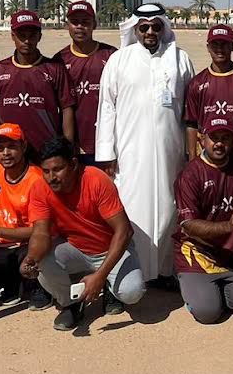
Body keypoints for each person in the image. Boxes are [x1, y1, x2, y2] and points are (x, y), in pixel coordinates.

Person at [94, 4, 194, 284]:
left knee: (169, 209)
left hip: (171, 153)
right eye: (144, 27)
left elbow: (191, 110)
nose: (150, 32)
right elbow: (106, 108)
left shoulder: (181, 59)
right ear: (135, 29)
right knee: (131, 207)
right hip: (130, 153)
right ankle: (133, 270)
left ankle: (164, 271)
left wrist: (191, 152)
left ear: (164, 28)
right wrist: (106, 153)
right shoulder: (119, 61)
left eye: (156, 26)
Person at [22, 137, 146, 331]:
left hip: (111, 248)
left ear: (73, 164)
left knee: (132, 292)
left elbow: (124, 231)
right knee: (42, 262)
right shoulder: (40, 188)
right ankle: (71, 304)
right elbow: (40, 233)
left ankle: (108, 287)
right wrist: (31, 258)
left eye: (57, 169)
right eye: (46, 171)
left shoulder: (96, 179)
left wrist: (100, 275)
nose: (51, 177)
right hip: (75, 248)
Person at [172, 118, 233, 324]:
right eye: (214, 138)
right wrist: (230, 225)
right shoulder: (190, 175)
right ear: (202, 140)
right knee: (208, 313)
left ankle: (217, 290)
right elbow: (189, 225)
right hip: (197, 254)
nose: (219, 143)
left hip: (228, 256)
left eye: (225, 138)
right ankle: (191, 286)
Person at [0, 10, 75, 163]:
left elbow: (67, 108)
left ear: (39, 36)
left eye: (32, 36)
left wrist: (68, 149)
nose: (27, 41)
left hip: (47, 152)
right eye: (21, 35)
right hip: (11, 153)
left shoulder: (54, 68)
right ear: (12, 36)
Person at [0, 123, 47, 307]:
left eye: (12, 147)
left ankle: (38, 287)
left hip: (27, 243)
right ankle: (13, 281)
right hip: (1, 244)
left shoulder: (37, 179)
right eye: (0, 148)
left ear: (24, 146)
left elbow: (39, 230)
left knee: (31, 254)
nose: (6, 153)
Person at [183, 24, 233, 162]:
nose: (219, 49)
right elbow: (191, 124)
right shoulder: (197, 83)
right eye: (215, 44)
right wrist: (192, 161)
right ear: (208, 47)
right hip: (206, 161)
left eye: (224, 44)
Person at [54, 1, 116, 165]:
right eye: (75, 22)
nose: (80, 27)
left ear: (94, 25)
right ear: (67, 25)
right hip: (74, 145)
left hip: (107, 144)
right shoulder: (59, 60)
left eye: (85, 22)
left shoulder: (111, 55)